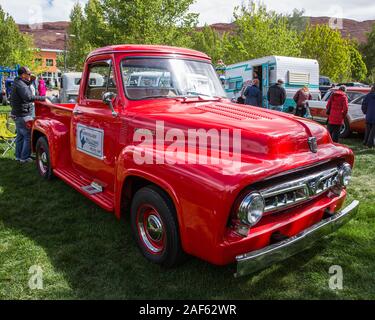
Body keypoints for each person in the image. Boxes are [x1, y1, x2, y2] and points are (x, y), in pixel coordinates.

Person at [10, 66, 48, 163]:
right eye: (29, 74)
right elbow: (28, 97)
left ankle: (18, 156)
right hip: (23, 114)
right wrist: (43, 98)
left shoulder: (17, 82)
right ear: (23, 75)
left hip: (18, 113)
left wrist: (30, 81)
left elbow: (24, 91)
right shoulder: (21, 84)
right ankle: (24, 158)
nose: (30, 75)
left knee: (20, 136)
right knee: (27, 136)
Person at [361, 84, 375, 148]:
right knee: (372, 132)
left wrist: (366, 112)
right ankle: (369, 144)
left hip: (369, 115)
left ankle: (365, 142)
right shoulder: (368, 95)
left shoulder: (368, 96)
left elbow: (363, 105)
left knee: (368, 131)